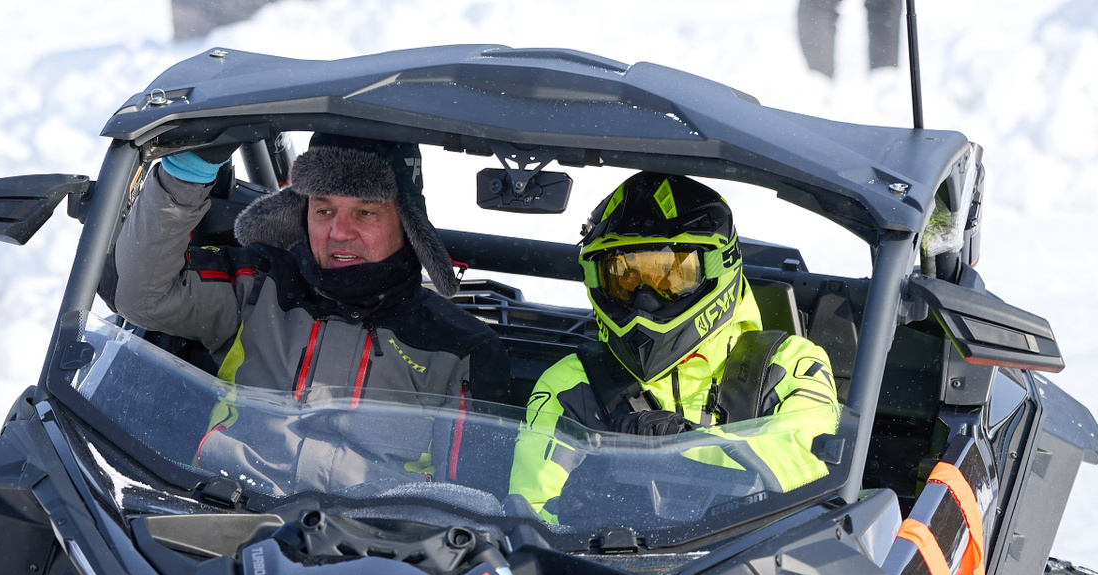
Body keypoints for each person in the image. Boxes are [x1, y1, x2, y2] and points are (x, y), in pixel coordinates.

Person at [112, 133, 509, 476]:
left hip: (377, 538)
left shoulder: (461, 348)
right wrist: (190, 172)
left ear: (407, 222)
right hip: (216, 513)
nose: (339, 231)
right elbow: (143, 297)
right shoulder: (257, 283)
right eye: (324, 210)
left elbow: (473, 500)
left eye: (365, 212)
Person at [508, 173, 841, 519]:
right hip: (609, 551)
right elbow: (530, 516)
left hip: (758, 551)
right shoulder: (568, 385)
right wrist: (575, 506)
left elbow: (811, 483)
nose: (645, 300)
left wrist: (687, 445)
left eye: (670, 276)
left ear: (718, 266)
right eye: (625, 277)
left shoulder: (789, 365)